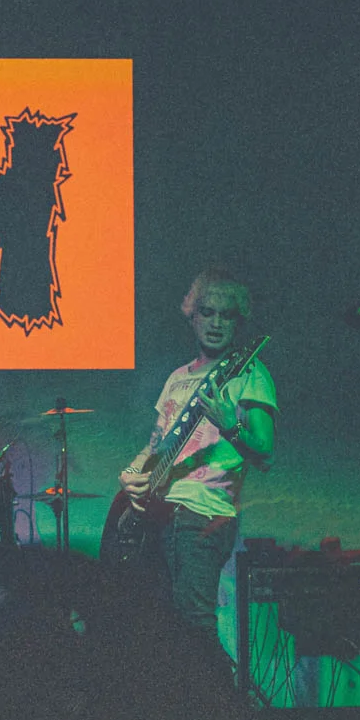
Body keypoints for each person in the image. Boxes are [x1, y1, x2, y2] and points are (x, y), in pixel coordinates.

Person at [116, 267, 277, 666]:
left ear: (238, 321)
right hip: (161, 514)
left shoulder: (249, 374)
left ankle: (224, 700)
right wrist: (131, 473)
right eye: (208, 312)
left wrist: (230, 424)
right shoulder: (177, 379)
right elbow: (156, 445)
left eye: (227, 315)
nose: (217, 323)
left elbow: (265, 453)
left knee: (194, 626)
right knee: (162, 629)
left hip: (204, 514)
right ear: (192, 315)